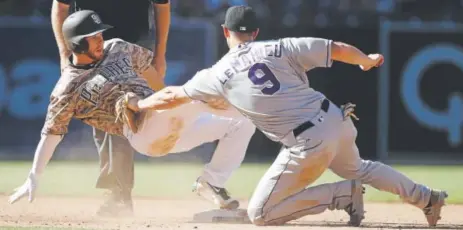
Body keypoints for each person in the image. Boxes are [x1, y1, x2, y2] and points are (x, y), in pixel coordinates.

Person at [125, 5, 449, 227]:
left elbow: (171, 95)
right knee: (361, 168)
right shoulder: (280, 47)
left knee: (261, 214)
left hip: (307, 141)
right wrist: (365, 59)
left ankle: (340, 194)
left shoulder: (216, 74)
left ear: (225, 32)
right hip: (336, 119)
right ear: (255, 32)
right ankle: (427, 198)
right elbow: (335, 47)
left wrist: (139, 106)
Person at [9, 10, 256, 214]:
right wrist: (34, 175)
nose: (100, 40)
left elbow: (155, 79)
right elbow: (51, 133)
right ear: (76, 43)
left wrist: (173, 104)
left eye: (99, 34)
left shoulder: (117, 47)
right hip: (143, 133)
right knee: (194, 90)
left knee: (244, 121)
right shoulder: (67, 88)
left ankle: (211, 182)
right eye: (92, 37)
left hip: (168, 120)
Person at [50, 0, 170, 216]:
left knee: (123, 115)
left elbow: (162, 6)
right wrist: (63, 53)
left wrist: (160, 55)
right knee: (108, 120)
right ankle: (117, 192)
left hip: (136, 43)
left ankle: (118, 193)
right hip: (91, 43)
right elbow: (60, 6)